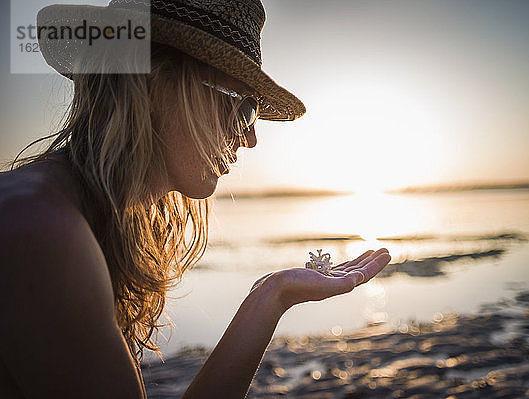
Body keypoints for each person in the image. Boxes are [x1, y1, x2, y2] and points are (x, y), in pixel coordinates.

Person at [0, 0, 392, 397]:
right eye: (242, 109)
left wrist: (271, 296)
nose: (251, 138)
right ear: (158, 83)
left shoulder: (62, 212)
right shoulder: (38, 229)